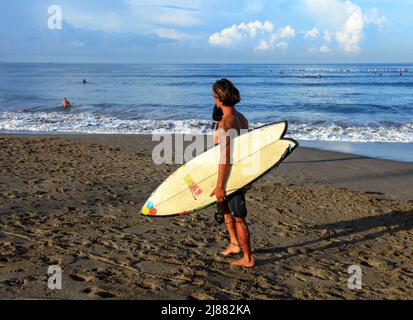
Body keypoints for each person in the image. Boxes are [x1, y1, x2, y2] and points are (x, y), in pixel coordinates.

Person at [209, 79, 254, 268]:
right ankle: (235, 244)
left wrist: (220, 185)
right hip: (241, 169)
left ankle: (248, 258)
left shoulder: (225, 124)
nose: (213, 100)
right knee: (225, 208)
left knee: (238, 216)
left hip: (232, 175)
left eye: (214, 96)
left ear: (219, 99)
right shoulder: (242, 118)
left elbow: (225, 158)